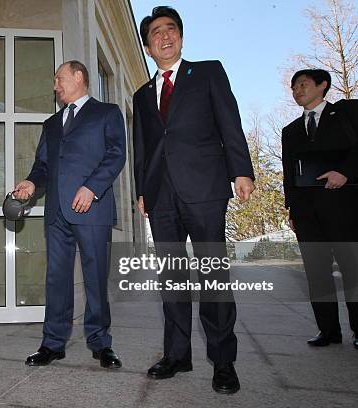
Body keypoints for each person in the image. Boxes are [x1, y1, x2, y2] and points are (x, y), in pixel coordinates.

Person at [132, 6, 255, 394]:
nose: (164, 36)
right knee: (172, 278)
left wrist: (242, 170)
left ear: (180, 37)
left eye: (170, 29)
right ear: (148, 46)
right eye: (155, 32)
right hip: (161, 195)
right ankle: (177, 355)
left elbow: (228, 121)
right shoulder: (141, 94)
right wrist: (141, 190)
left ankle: (223, 362)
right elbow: (142, 148)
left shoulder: (206, 72)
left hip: (204, 188)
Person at [14, 60, 126, 368]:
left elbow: (117, 154)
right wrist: (31, 182)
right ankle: (53, 343)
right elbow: (43, 166)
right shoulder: (51, 124)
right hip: (57, 213)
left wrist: (92, 188)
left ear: (79, 77)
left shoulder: (107, 113)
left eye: (59, 79)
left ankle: (101, 344)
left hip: (92, 207)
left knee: (95, 278)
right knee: (57, 279)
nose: (55, 85)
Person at [282, 68, 358, 350]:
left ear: (322, 85)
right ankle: (328, 330)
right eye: (294, 87)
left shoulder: (347, 114)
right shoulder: (290, 131)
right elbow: (288, 172)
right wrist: (291, 208)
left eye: (303, 84)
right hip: (307, 212)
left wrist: (345, 172)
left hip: (344, 207)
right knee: (316, 271)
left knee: (352, 268)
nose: (297, 90)